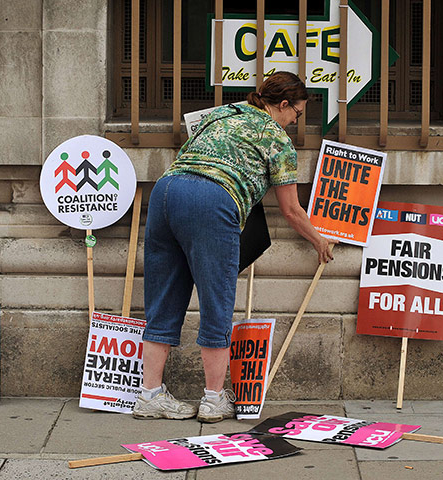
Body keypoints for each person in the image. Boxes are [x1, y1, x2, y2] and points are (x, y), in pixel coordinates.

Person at [132, 71, 337, 423]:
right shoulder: (276, 139)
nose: (295, 122)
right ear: (284, 105)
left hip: (166, 192)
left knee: (163, 296)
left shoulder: (222, 112)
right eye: (297, 114)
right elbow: (290, 209)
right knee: (217, 299)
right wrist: (319, 239)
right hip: (211, 201)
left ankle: (149, 395)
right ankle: (213, 398)